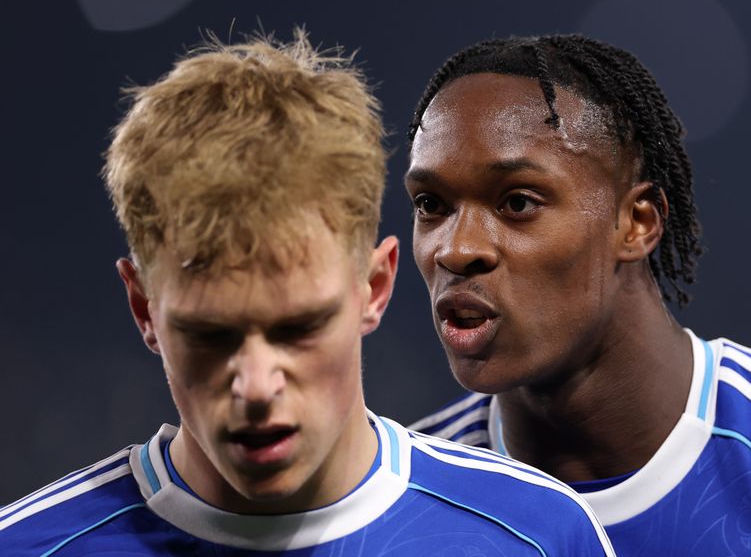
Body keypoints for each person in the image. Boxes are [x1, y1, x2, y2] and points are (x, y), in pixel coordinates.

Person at [0, 32, 615, 556]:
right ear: (145, 310)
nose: (258, 388)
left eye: (298, 328)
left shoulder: (535, 538)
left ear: (374, 288)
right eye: (210, 336)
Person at [405, 34, 751, 556]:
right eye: (431, 204)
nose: (456, 249)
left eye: (517, 203)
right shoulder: (408, 495)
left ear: (636, 223)